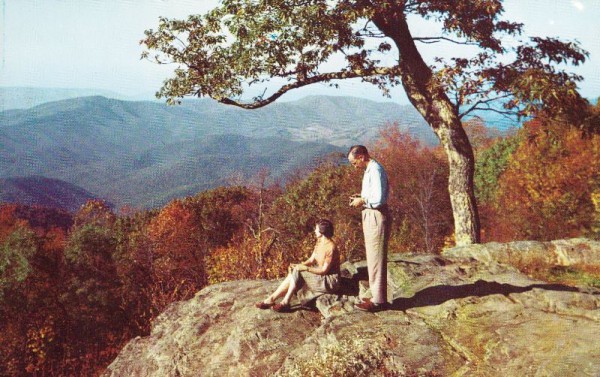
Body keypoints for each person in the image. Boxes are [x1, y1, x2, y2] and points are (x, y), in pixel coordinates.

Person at [255, 219, 341, 312]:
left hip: (330, 282)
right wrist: (298, 265)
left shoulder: (331, 247)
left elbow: (324, 270)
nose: (315, 231)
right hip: (321, 276)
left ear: (322, 231)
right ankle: (271, 299)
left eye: (316, 229)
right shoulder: (319, 242)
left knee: (298, 271)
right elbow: (311, 260)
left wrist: (304, 268)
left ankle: (285, 302)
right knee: (295, 270)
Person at [348, 145, 390, 312]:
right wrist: (362, 197)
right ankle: (375, 295)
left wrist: (362, 201)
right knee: (372, 256)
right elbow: (374, 195)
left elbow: (379, 199)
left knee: (377, 257)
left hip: (376, 215)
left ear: (361, 156)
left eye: (354, 162)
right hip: (371, 214)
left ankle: (379, 301)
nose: (354, 166)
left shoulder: (375, 170)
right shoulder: (370, 169)